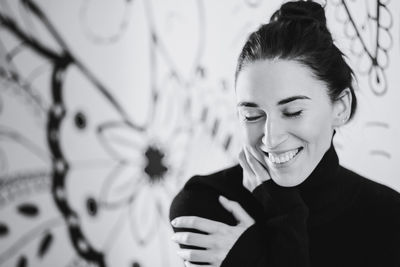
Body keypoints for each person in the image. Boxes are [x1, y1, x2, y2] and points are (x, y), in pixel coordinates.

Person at [169, 1, 400, 266]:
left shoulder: (388, 216)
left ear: (341, 108)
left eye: (292, 112)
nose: (271, 137)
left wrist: (257, 255)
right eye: (252, 115)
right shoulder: (207, 203)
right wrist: (286, 214)